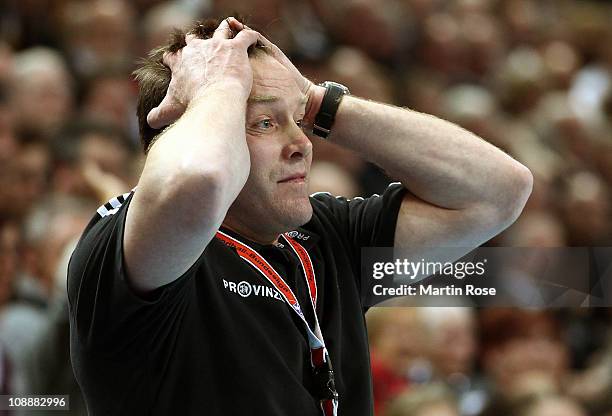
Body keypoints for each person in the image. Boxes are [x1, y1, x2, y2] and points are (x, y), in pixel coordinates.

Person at [67, 17, 533, 416]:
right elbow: (196, 182)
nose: (303, 143)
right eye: (265, 123)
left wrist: (319, 102)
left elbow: (498, 191)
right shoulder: (131, 244)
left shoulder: (325, 237)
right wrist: (219, 86)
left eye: (298, 120)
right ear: (194, 126)